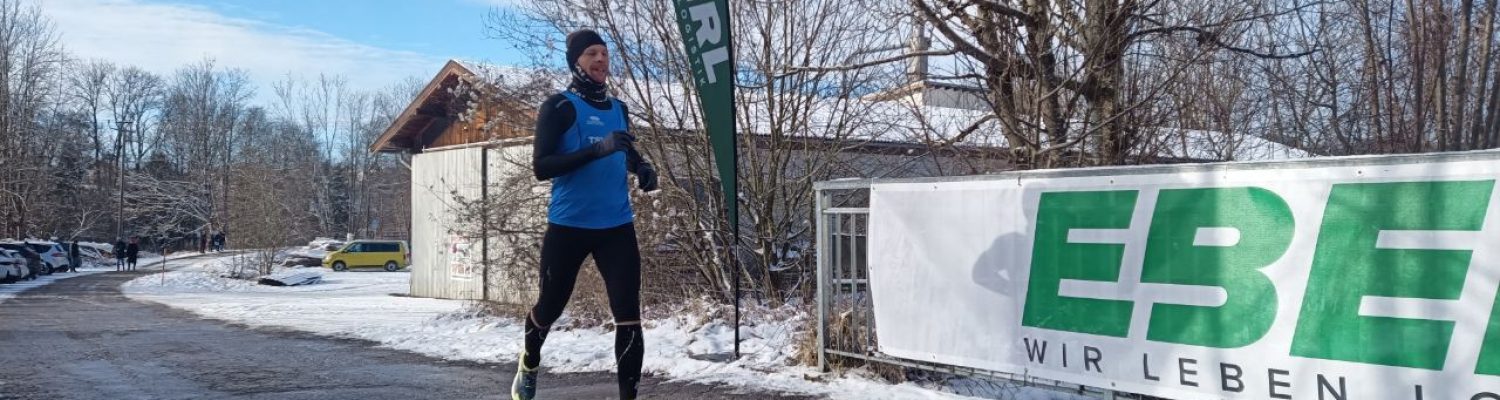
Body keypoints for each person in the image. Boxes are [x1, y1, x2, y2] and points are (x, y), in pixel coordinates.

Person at [511, 29, 658, 400]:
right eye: (592, 53)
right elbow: (542, 167)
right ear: (575, 60)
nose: (601, 60)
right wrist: (596, 151)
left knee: (629, 316)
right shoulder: (559, 107)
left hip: (616, 227)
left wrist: (641, 168)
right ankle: (529, 362)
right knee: (549, 307)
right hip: (569, 227)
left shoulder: (619, 109)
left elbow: (624, 152)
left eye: (605, 54)